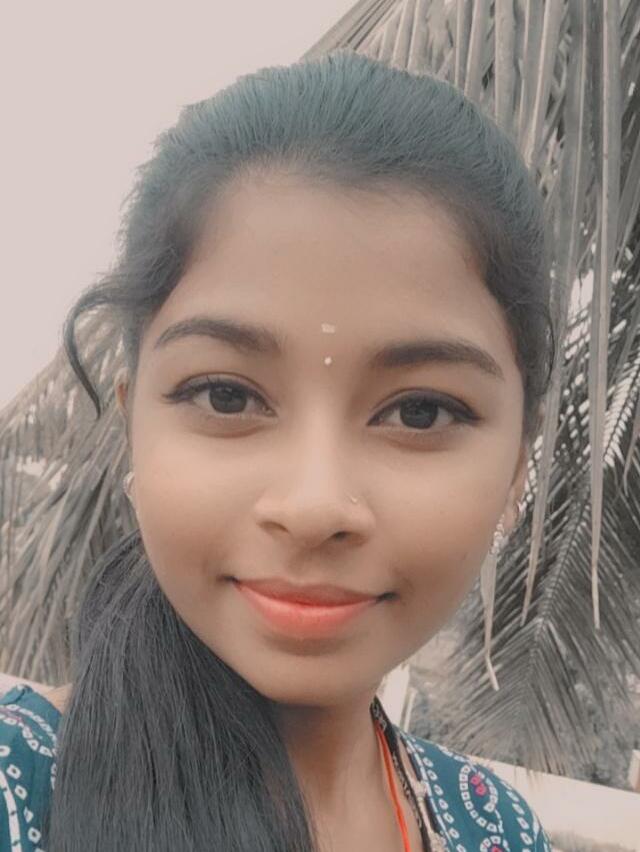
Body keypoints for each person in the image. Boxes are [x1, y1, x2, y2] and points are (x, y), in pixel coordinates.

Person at [0, 48, 555, 851]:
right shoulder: (18, 793)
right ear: (132, 429)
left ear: (515, 470)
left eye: (421, 411)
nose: (314, 505)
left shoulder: (495, 828)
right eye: (226, 396)